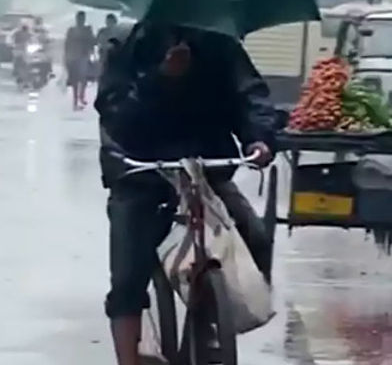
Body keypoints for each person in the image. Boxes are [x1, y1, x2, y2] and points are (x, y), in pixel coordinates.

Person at [95, 23, 276, 365]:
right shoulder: (129, 45)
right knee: (127, 278)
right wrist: (162, 78)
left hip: (205, 171)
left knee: (255, 236)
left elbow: (251, 96)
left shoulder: (220, 44)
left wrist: (259, 137)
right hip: (142, 173)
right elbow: (117, 117)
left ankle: (209, 320)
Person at [64, 11, 96, 110]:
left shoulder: (87, 30)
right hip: (73, 56)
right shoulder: (71, 30)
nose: (80, 20)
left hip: (83, 56)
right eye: (79, 18)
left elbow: (93, 41)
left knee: (83, 78)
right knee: (74, 80)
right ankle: (75, 100)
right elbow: (67, 43)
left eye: (82, 18)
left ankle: (81, 97)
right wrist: (66, 56)